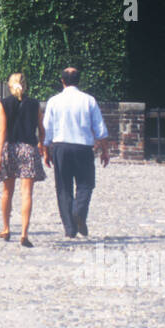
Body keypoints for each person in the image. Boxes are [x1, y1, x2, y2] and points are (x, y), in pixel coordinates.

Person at [41, 66, 110, 238]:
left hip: (60, 147)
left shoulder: (54, 101)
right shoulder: (89, 101)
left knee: (63, 187)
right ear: (79, 80)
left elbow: (47, 129)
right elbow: (100, 129)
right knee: (86, 184)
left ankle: (70, 228)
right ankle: (79, 211)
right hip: (83, 147)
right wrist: (105, 151)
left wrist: (46, 150)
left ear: (62, 81)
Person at [0, 72, 46, 247]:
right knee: (27, 193)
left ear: (9, 85)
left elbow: (2, 130)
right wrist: (42, 145)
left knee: (7, 192)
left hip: (11, 148)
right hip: (29, 148)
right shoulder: (34, 104)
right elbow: (41, 128)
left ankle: (6, 228)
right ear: (26, 85)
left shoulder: (4, 103)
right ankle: (24, 232)